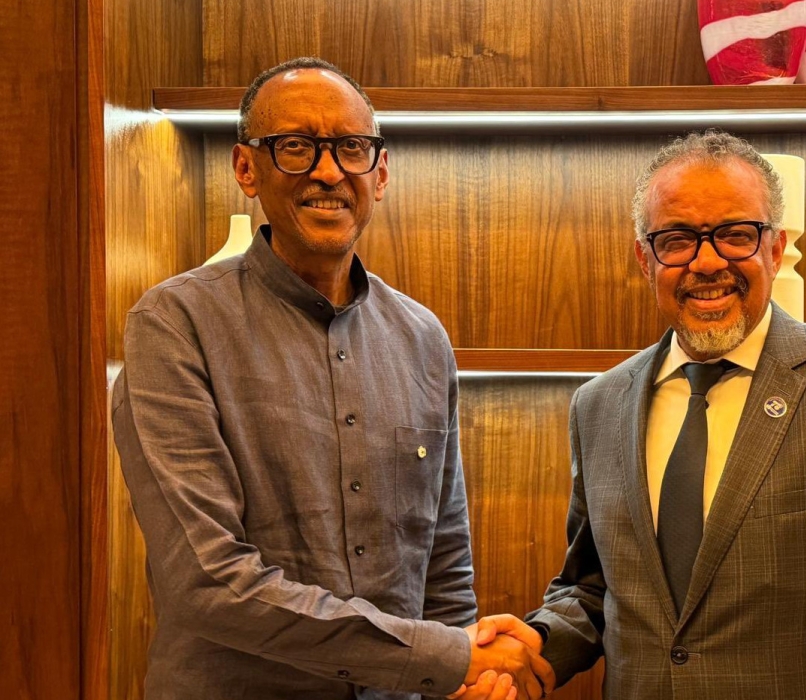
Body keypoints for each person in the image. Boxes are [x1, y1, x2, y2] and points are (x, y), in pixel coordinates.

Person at [475, 130, 806, 698]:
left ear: (776, 246)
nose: (707, 262)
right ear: (646, 257)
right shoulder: (599, 404)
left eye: (736, 235)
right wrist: (533, 647)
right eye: (678, 239)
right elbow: (594, 588)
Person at [111, 57, 551, 700]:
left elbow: (445, 566)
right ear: (245, 168)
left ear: (381, 171)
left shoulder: (423, 339)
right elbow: (207, 579)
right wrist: (446, 655)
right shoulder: (175, 325)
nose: (327, 170)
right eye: (295, 146)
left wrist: (462, 674)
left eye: (350, 147)